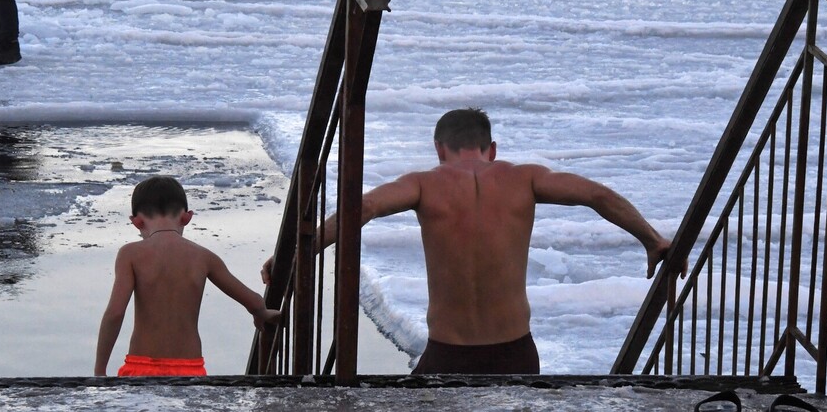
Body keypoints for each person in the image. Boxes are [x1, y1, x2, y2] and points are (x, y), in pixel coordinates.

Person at [263, 107, 682, 375]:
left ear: (439, 149)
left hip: (449, 353)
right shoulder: (527, 178)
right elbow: (597, 195)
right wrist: (652, 239)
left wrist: (301, 253)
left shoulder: (424, 184)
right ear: (492, 148)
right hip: (516, 352)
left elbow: (366, 207)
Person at [95, 175, 281, 377]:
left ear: (137, 222)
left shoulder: (130, 254)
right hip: (190, 369)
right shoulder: (204, 257)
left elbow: (115, 313)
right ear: (186, 217)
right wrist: (261, 313)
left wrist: (100, 370)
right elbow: (252, 300)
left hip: (141, 368)